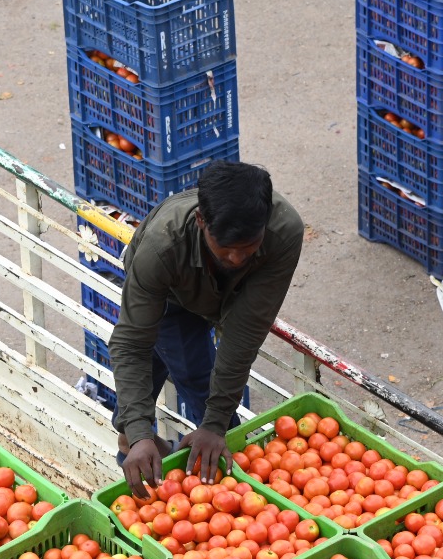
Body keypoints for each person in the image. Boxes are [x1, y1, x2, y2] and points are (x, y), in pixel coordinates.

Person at [109, 161, 304, 496]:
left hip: (233, 293)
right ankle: (140, 442)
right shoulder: (161, 247)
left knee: (205, 387)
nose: (238, 257)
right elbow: (131, 342)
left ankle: (135, 438)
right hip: (170, 294)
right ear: (201, 221)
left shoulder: (283, 231)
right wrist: (142, 432)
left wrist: (213, 424)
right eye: (226, 247)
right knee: (191, 369)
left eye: (248, 246)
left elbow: (243, 334)